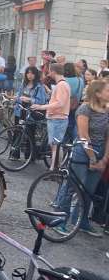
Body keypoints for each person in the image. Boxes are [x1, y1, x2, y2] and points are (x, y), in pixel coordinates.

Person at [54, 79, 109, 237]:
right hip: (83, 151)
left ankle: (81, 221)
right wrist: (92, 158)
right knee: (73, 187)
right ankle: (60, 220)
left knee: (88, 191)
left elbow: (108, 138)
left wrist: (104, 159)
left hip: (99, 152)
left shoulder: (107, 111)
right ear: (98, 93)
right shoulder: (85, 109)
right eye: (107, 90)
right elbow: (84, 136)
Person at [32, 63, 71, 169]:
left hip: (58, 118)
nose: (49, 74)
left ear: (54, 72)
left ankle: (55, 169)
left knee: (56, 146)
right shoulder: (62, 84)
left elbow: (60, 103)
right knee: (55, 146)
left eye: (49, 71)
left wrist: (41, 107)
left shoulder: (61, 85)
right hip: (57, 118)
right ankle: (55, 168)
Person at [63, 62, 85, 142]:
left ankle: (63, 146)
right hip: (75, 106)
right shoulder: (80, 80)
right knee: (72, 127)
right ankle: (71, 146)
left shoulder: (64, 80)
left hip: (64, 107)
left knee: (64, 128)